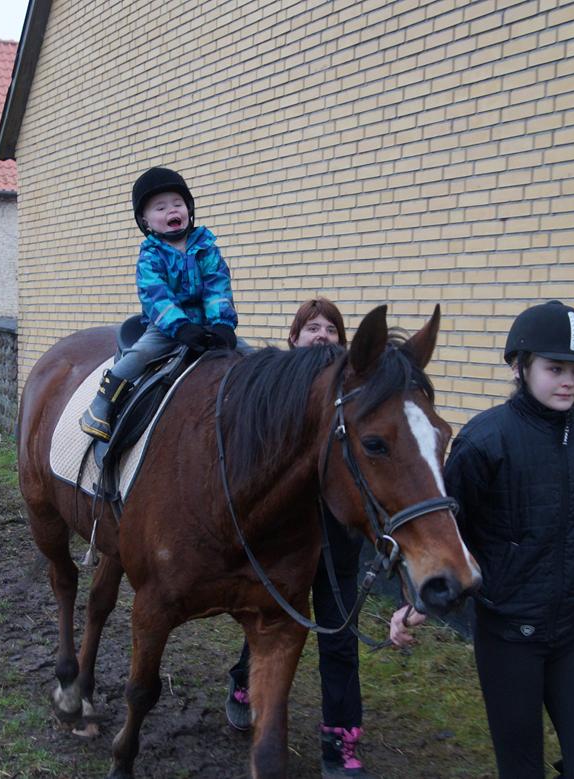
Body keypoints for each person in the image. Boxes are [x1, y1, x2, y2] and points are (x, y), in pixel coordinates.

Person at [390, 300, 574, 779]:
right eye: (555, 369)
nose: (568, 381)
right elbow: (446, 535)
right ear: (519, 366)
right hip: (509, 640)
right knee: (521, 768)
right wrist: (420, 602)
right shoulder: (485, 441)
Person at [226, 297, 372, 779]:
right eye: (312, 328)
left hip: (336, 538)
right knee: (269, 619)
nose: (322, 335)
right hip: (284, 537)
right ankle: (244, 682)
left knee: (339, 634)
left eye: (332, 329)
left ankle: (341, 739)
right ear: (293, 339)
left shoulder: (352, 397)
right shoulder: (276, 394)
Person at [80, 167, 239, 441]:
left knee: (248, 356)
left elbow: (217, 285)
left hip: (207, 325)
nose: (171, 210)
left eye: (177, 204)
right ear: (146, 221)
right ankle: (101, 403)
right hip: (166, 327)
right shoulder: (151, 256)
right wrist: (180, 327)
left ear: (188, 209)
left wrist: (222, 324)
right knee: (141, 354)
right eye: (161, 208)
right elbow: (156, 295)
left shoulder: (207, 247)